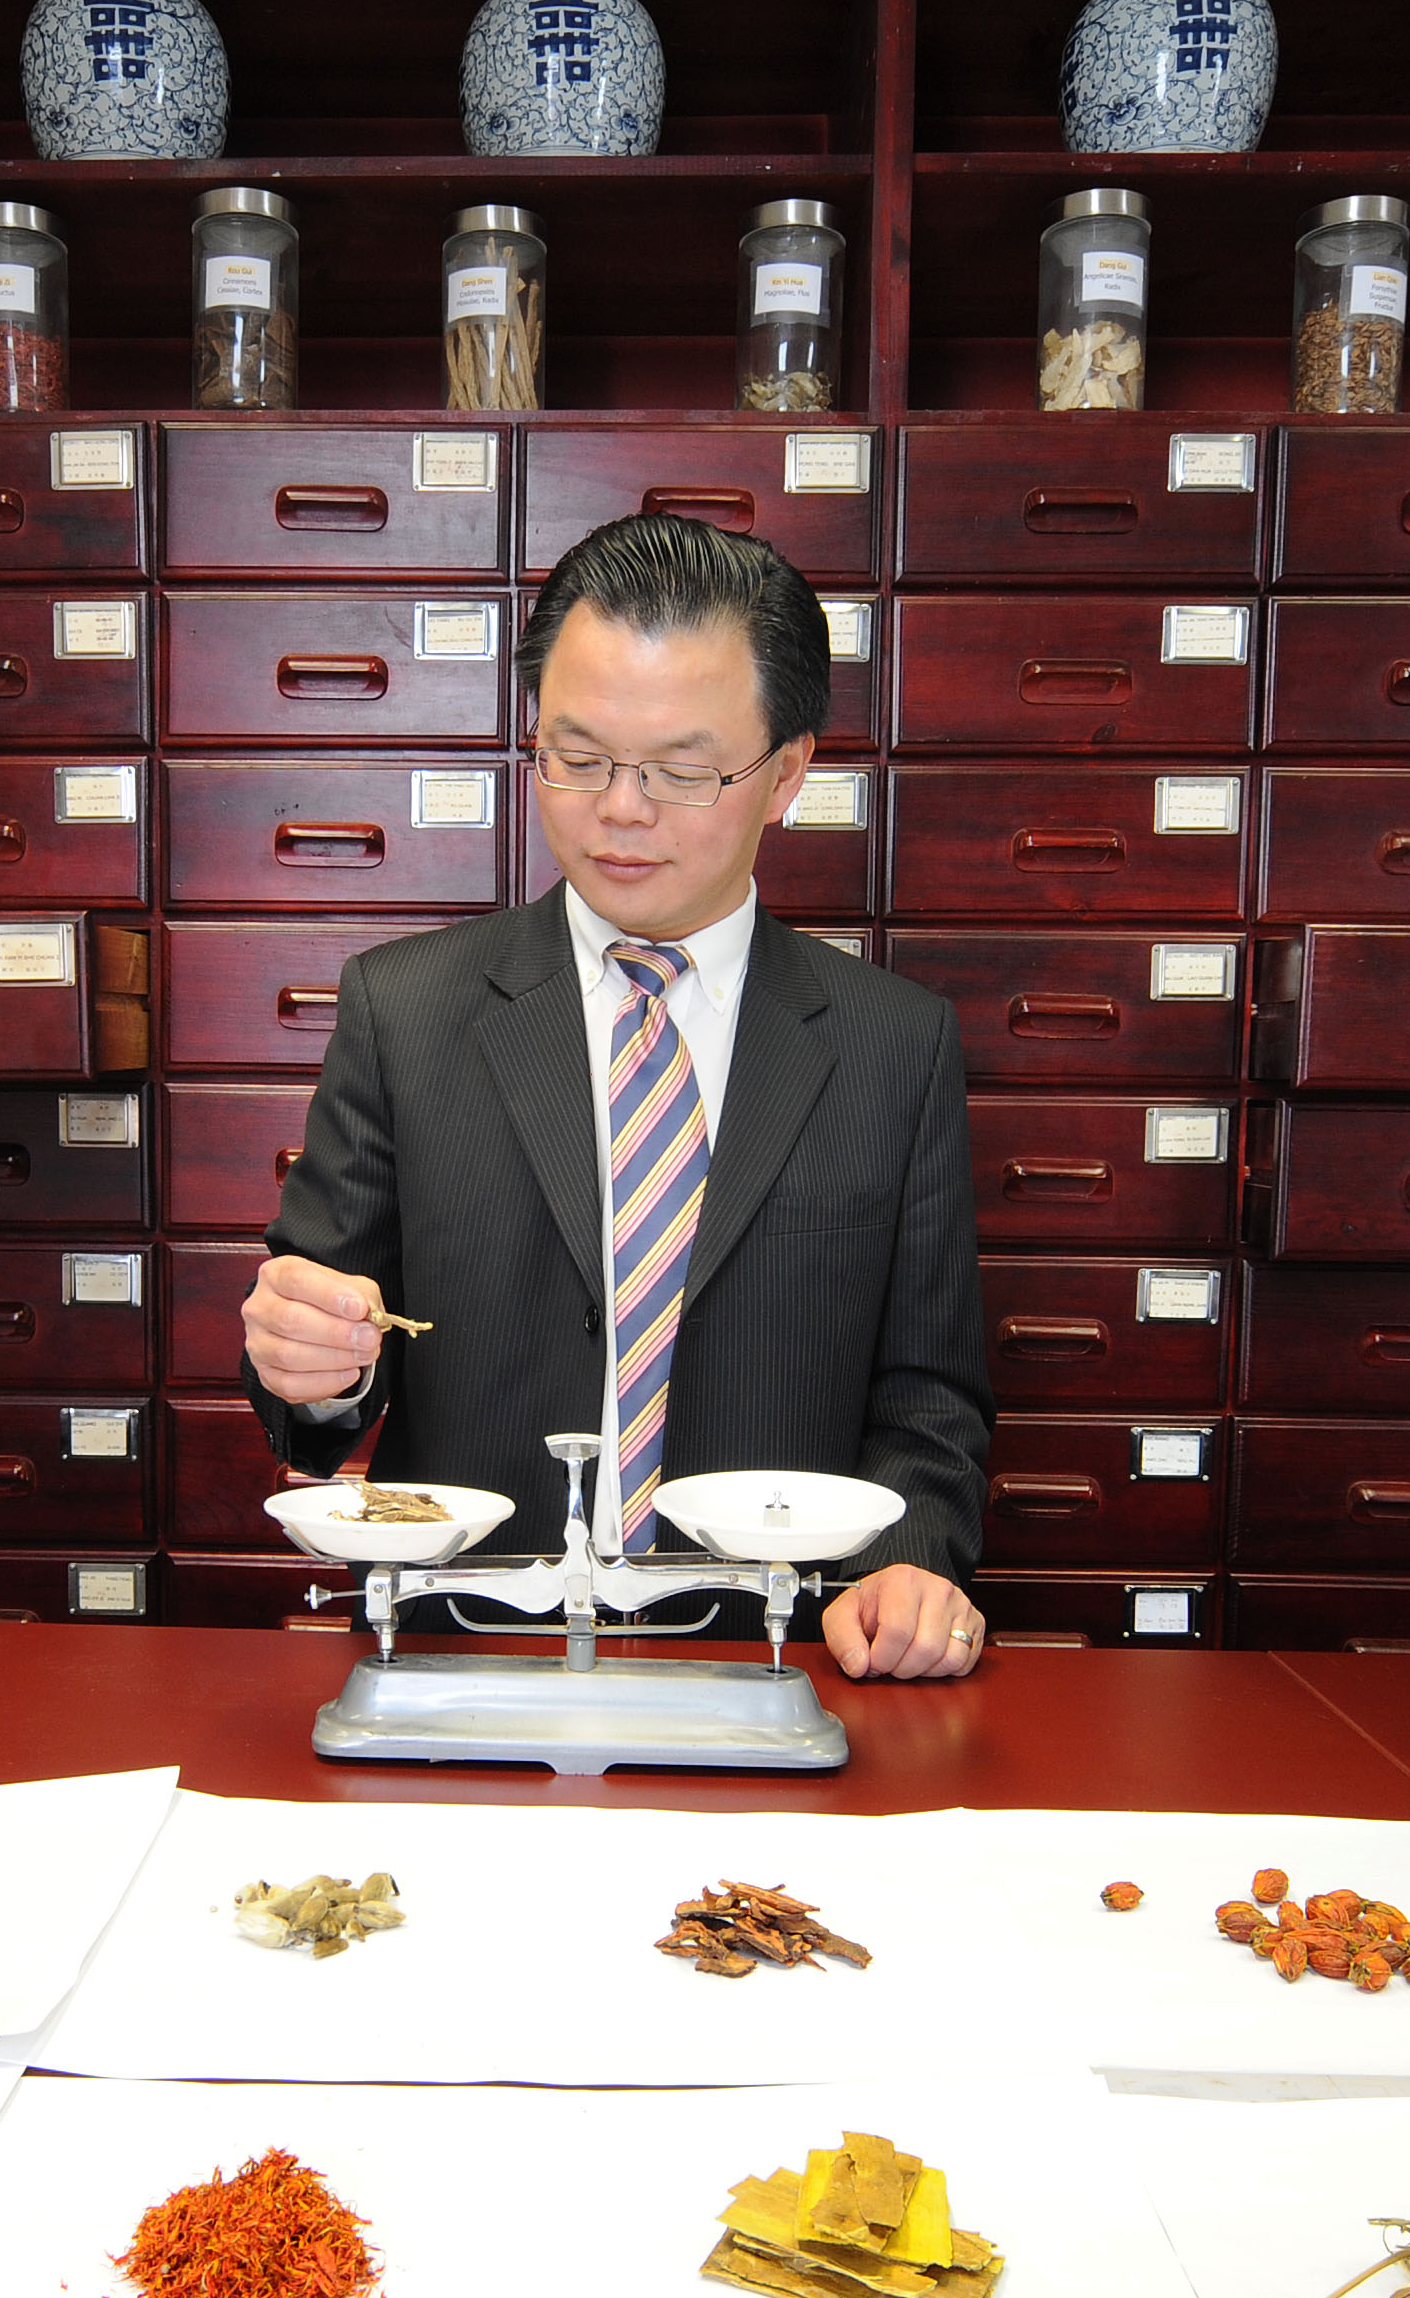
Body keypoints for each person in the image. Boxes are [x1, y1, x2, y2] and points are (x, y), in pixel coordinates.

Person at [240, 514, 994, 1680]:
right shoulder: (407, 1010)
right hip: (464, 1659)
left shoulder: (892, 1045)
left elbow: (927, 1396)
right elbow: (318, 1382)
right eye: (576, 756)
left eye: (683, 770)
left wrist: (917, 1558)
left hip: (781, 1658)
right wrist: (308, 1365)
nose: (621, 809)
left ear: (785, 773)